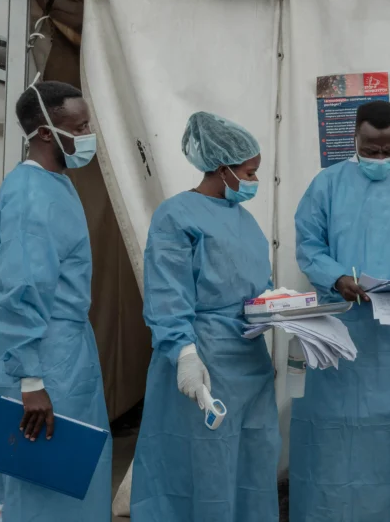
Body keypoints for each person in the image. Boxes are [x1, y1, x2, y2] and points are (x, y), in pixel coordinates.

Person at [290, 100, 390, 522]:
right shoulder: (327, 185)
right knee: (332, 434)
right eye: (371, 148)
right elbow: (309, 246)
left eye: (388, 149)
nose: (379, 157)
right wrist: (337, 276)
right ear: (354, 138)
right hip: (339, 330)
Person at [130, 112, 280, 522]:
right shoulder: (176, 216)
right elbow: (166, 294)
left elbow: (257, 285)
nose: (254, 181)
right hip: (205, 363)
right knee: (204, 468)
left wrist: (284, 311)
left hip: (250, 360)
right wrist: (183, 354)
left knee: (254, 460)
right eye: (250, 172)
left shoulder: (246, 221)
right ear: (222, 166)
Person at [0, 80, 111, 522]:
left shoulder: (57, 185)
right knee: (41, 484)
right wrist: (31, 381)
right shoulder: (31, 195)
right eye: (82, 125)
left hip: (65, 352)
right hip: (44, 356)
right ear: (48, 132)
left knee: (70, 479)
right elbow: (21, 290)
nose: (89, 134)